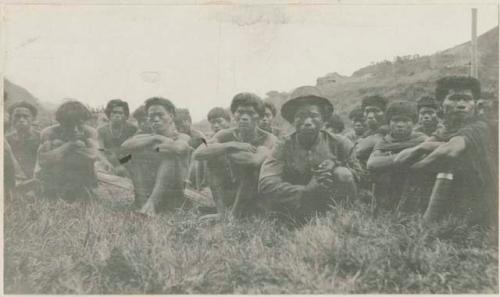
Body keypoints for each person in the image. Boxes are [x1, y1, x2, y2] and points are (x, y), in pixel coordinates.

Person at [395, 76, 497, 227]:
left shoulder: (480, 127)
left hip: (484, 198)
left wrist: (418, 166)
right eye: (454, 98)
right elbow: (398, 160)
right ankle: (407, 215)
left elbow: (450, 151)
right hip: (458, 195)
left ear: (475, 104)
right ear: (441, 105)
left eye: (467, 99)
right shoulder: (445, 131)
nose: (461, 105)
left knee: (448, 160)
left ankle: (427, 224)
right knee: (423, 157)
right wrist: (423, 147)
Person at [259, 86, 360, 224]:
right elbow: (266, 183)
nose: (307, 122)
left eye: (313, 115)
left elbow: (362, 175)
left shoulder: (340, 143)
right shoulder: (283, 146)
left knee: (343, 173)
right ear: (293, 121)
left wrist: (335, 165)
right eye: (300, 116)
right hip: (297, 208)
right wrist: (306, 190)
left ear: (323, 119)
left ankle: (345, 218)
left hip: (332, 202)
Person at [193, 92, 277, 217]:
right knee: (213, 158)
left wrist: (224, 151)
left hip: (258, 194)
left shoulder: (268, 138)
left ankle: (234, 216)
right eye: (240, 112)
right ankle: (222, 213)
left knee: (250, 168)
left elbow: (253, 161)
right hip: (234, 189)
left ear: (259, 117)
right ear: (234, 115)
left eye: (250, 113)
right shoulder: (225, 135)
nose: (244, 117)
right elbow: (198, 153)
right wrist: (231, 145)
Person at [122, 97, 192, 215]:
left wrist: (154, 147)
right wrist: (156, 138)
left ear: (171, 116)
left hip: (176, 191)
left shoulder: (182, 137)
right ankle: (144, 203)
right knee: (133, 154)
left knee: (169, 154)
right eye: (151, 116)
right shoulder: (147, 137)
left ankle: (151, 205)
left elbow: (178, 148)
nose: (155, 119)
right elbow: (125, 146)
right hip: (151, 188)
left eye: (160, 115)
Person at [367, 101, 428, 212]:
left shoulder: (422, 140)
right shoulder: (385, 142)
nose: (400, 125)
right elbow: (372, 163)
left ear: (414, 122)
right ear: (389, 123)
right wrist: (405, 157)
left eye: (405, 121)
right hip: (389, 187)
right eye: (395, 120)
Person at [36, 101, 99, 202]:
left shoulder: (89, 132)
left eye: (79, 124)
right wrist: (69, 145)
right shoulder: (49, 132)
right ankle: (54, 192)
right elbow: (43, 160)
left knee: (78, 145)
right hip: (56, 176)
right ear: (61, 122)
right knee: (57, 143)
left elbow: (94, 155)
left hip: (81, 175)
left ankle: (85, 190)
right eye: (70, 124)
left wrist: (71, 147)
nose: (75, 129)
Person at [97, 99, 137, 176]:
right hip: (108, 162)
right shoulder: (101, 130)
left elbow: (134, 151)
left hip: (127, 162)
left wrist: (121, 164)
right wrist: (106, 163)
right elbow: (100, 150)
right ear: (109, 114)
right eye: (114, 112)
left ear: (125, 115)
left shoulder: (132, 129)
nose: (117, 115)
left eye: (120, 113)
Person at [6, 101, 41, 182]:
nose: (21, 120)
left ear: (33, 119)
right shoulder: (6, 140)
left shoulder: (42, 138)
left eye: (26, 116)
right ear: (11, 118)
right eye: (17, 116)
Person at [355, 95, 388, 166]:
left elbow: (359, 150)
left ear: (385, 113)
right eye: (367, 111)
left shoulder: (388, 131)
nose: (370, 116)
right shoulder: (368, 132)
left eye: (375, 111)